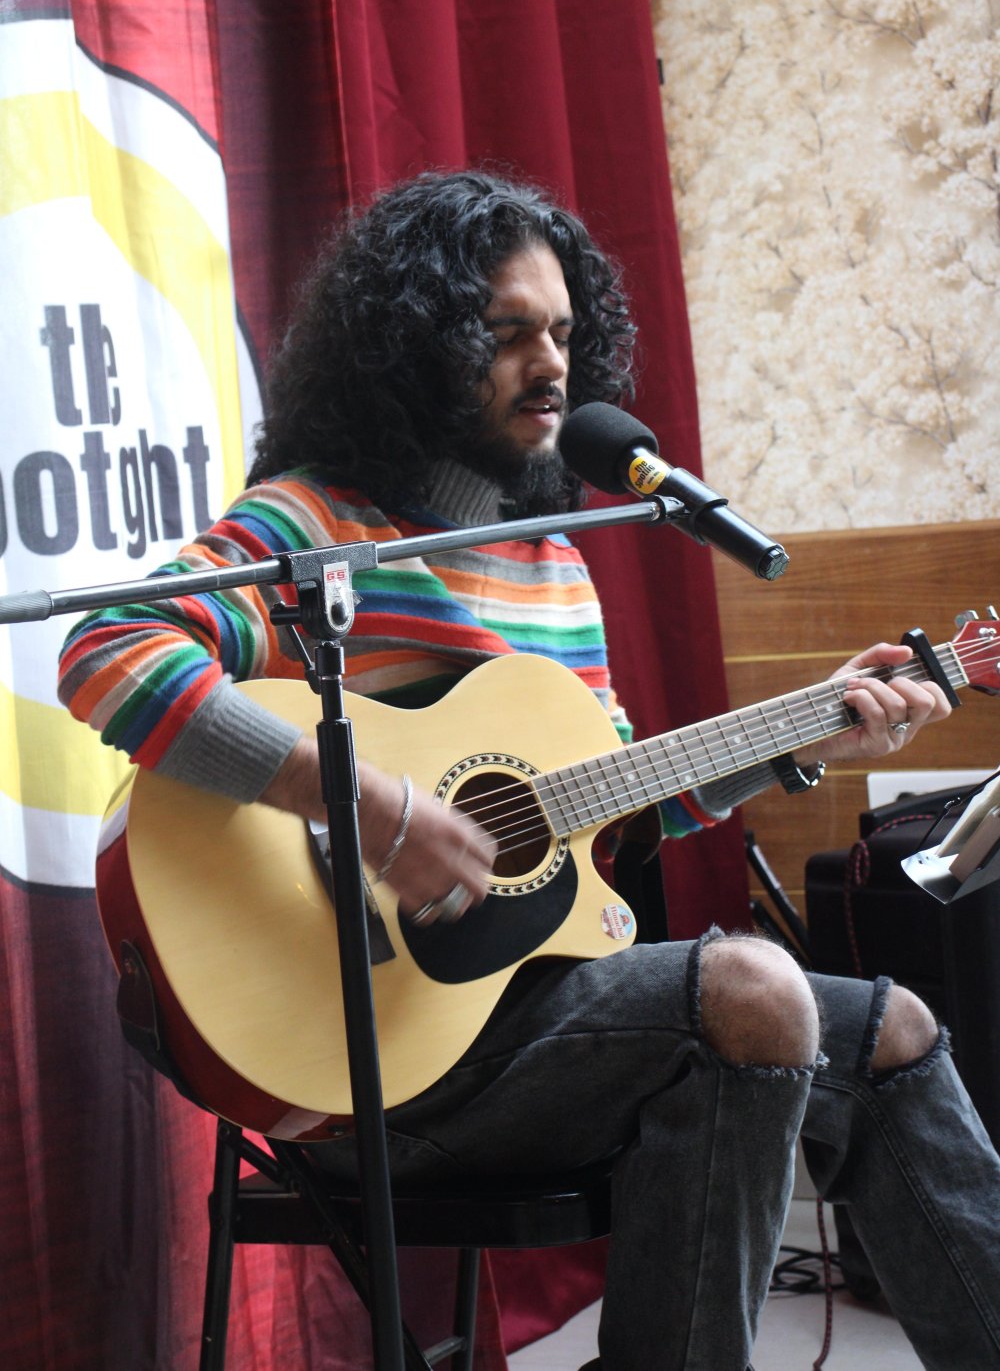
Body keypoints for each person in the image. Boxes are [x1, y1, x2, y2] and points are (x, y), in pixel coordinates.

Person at [58, 171, 1000, 1371]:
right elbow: (108, 650)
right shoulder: (311, 527)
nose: (549, 365)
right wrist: (362, 802)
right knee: (753, 990)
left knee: (895, 1029)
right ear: (413, 347)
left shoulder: (555, 565)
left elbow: (608, 813)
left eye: (560, 332)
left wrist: (805, 739)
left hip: (529, 1023)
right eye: (506, 334)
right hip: (362, 1053)